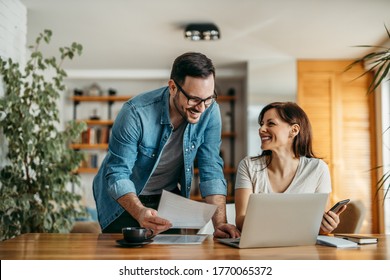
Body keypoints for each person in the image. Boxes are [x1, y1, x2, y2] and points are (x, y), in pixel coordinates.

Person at [93, 52, 239, 238]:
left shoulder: (210, 112)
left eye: (208, 98)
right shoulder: (135, 113)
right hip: (125, 201)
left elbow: (211, 167)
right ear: (172, 87)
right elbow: (117, 173)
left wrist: (220, 224)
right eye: (194, 99)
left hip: (168, 199)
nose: (201, 108)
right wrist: (139, 211)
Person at [234, 102, 346, 234]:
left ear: (294, 130)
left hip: (301, 248)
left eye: (270, 124)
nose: (261, 129)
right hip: (258, 248)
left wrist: (327, 225)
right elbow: (241, 220)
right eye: (261, 124)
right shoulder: (248, 165)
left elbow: (319, 227)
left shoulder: (317, 169)